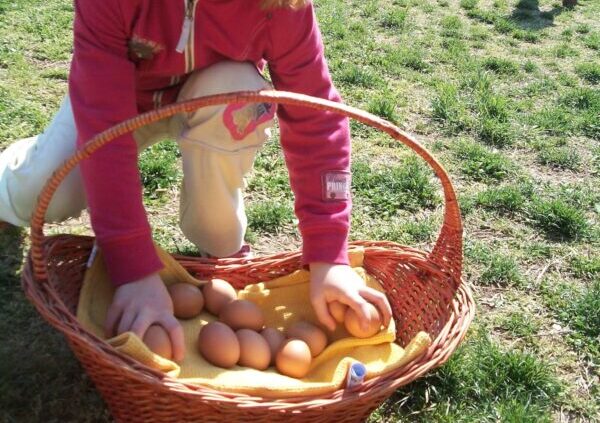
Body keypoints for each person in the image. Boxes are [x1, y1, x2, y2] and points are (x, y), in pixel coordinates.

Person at [0, 0, 392, 361]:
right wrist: (132, 266)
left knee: (238, 95)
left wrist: (328, 255)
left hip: (212, 98)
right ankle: (12, 176)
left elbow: (318, 118)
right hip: (115, 103)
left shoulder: (282, 6)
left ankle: (220, 247)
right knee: (47, 194)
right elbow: (105, 130)